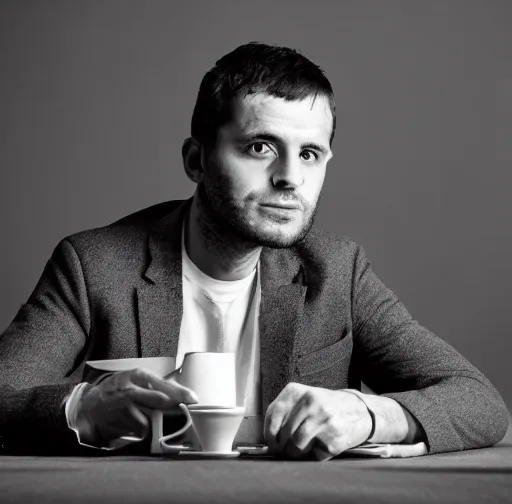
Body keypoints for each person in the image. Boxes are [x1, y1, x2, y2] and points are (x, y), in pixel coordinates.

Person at [0, 42, 508, 459]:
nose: (290, 177)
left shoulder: (338, 271)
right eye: (260, 147)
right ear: (196, 160)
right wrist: (82, 409)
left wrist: (370, 414)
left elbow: (480, 402)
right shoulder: (94, 266)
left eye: (310, 154)